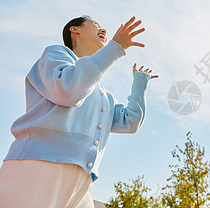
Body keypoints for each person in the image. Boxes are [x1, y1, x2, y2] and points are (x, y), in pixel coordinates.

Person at [0, 16, 158, 208]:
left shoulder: (102, 94)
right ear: (75, 30)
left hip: (83, 183)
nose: (104, 30)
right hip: (38, 165)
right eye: (96, 25)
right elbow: (69, 89)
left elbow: (130, 122)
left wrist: (139, 84)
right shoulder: (55, 54)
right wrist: (115, 46)